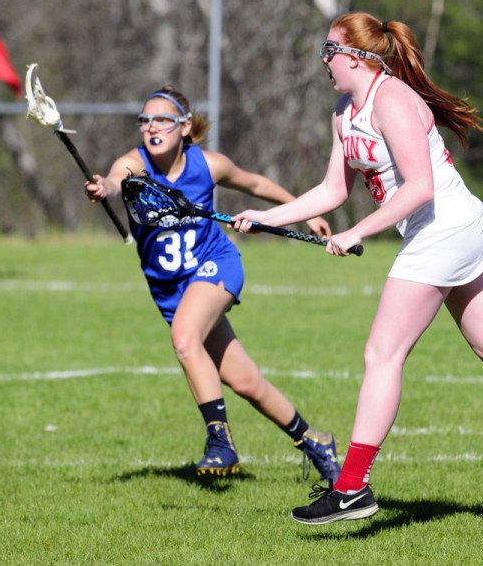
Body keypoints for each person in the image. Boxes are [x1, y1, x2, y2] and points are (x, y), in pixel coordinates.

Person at [232, 12, 483, 523]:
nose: (324, 61)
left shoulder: (393, 101)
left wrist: (357, 231)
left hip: (445, 227)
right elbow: (333, 191)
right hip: (444, 229)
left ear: (356, 56)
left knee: (382, 352)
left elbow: (420, 187)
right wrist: (266, 216)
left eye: (330, 51)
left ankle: (352, 487)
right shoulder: (343, 112)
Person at [84, 85, 340, 483]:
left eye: (162, 121)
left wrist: (304, 213)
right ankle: (315, 440)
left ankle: (219, 440)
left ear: (185, 127)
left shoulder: (209, 165)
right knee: (246, 381)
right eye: (145, 120)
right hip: (171, 290)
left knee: (186, 340)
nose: (152, 128)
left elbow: (254, 184)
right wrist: (106, 187)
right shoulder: (134, 164)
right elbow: (118, 180)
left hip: (215, 265)